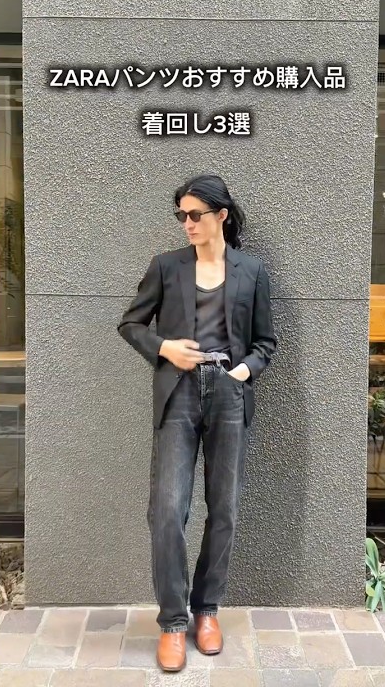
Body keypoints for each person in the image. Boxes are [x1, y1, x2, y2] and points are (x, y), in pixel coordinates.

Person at [118, 174, 277, 672]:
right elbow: (130, 323)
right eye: (181, 215)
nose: (186, 223)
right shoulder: (166, 267)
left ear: (221, 216)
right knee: (167, 509)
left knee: (224, 508)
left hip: (229, 394)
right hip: (179, 394)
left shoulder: (252, 271)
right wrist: (165, 347)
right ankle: (172, 621)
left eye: (195, 214)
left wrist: (243, 371)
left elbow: (265, 342)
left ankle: (207, 610)